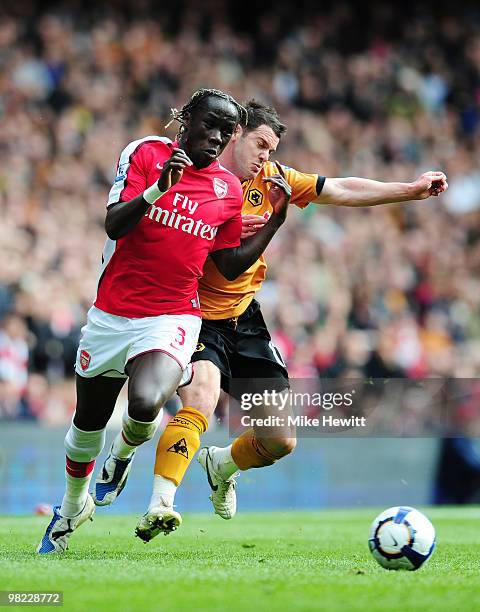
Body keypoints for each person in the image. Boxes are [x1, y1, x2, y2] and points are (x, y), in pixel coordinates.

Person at [97, 100, 448, 542]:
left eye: (272, 147)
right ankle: (160, 505)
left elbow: (338, 189)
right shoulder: (194, 177)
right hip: (191, 313)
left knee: (280, 440)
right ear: (234, 134)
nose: (266, 155)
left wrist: (410, 189)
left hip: (245, 318)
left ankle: (221, 464)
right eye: (260, 144)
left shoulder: (273, 179)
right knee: (200, 398)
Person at [36, 89, 292, 555]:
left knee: (148, 399)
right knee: (86, 425)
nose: (216, 138)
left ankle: (125, 454)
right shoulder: (146, 153)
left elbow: (230, 265)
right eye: (209, 125)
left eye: (226, 131)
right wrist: (158, 190)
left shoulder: (227, 190)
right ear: (185, 119)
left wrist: (273, 223)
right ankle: (72, 507)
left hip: (172, 315)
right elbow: (114, 225)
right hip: (112, 314)